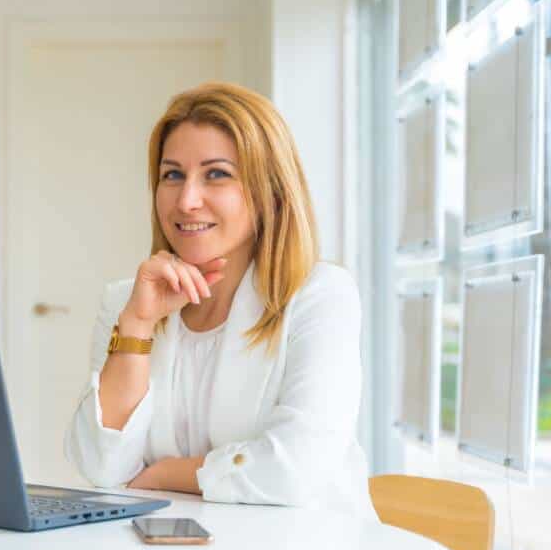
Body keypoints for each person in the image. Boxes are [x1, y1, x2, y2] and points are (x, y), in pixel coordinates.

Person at [64, 81, 377, 519]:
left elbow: (295, 468)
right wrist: (137, 325)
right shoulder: (127, 301)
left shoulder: (320, 295)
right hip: (171, 548)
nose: (187, 200)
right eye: (172, 175)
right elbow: (101, 466)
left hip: (303, 549)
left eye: (216, 174)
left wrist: (165, 475)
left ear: (271, 192)